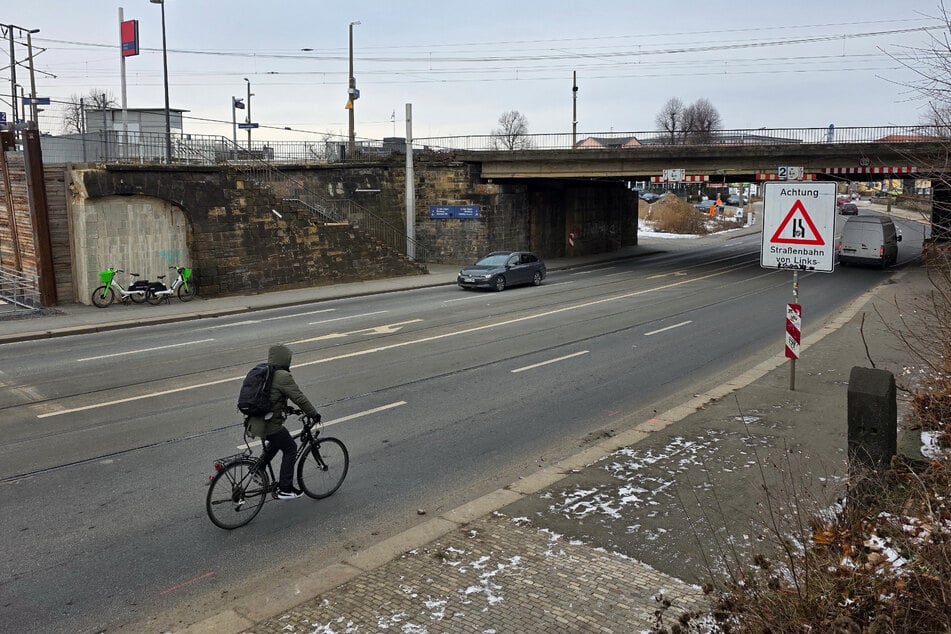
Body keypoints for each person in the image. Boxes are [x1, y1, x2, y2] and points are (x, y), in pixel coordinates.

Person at [245, 344, 321, 499]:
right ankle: (285, 488)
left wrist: (289, 410)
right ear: (285, 359)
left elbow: (272, 398)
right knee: (290, 448)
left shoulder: (267, 373)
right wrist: (314, 414)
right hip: (269, 424)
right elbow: (299, 397)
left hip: (256, 421)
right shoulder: (282, 376)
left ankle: (257, 469)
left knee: (274, 444)